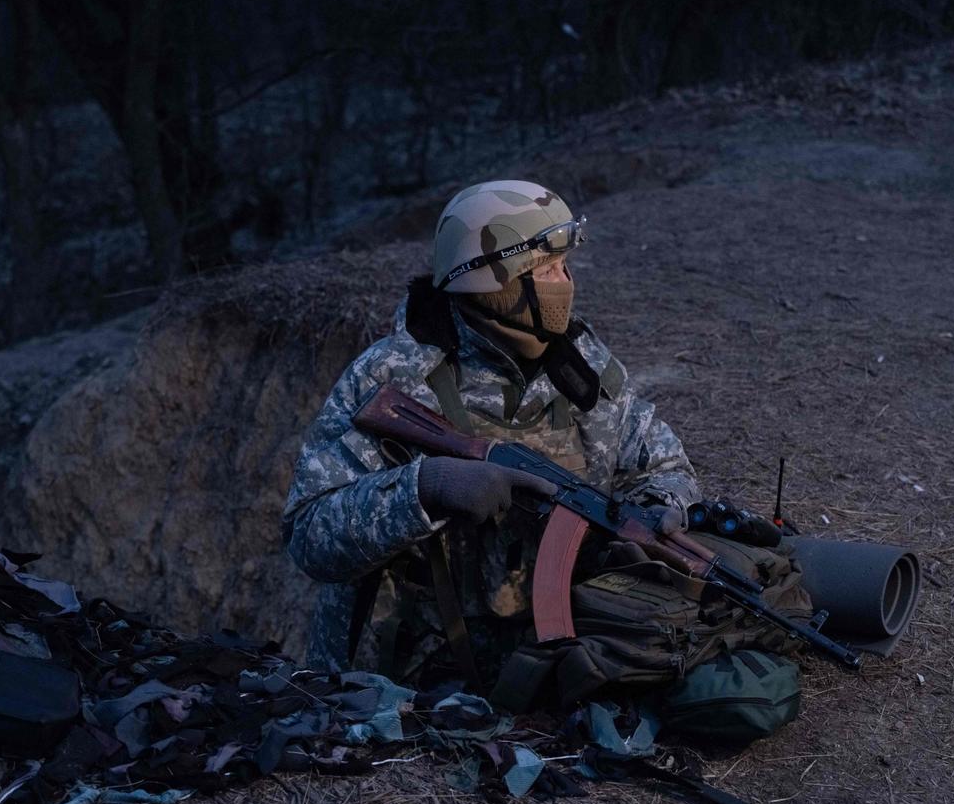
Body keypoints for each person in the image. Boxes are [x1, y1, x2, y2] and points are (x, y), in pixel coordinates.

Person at [282, 180, 699, 687]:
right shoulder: (394, 376)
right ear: (495, 280)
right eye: (547, 270)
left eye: (565, 267)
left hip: (543, 665)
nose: (566, 281)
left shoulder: (580, 366)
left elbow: (661, 465)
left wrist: (656, 510)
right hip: (399, 684)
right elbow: (310, 535)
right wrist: (425, 488)